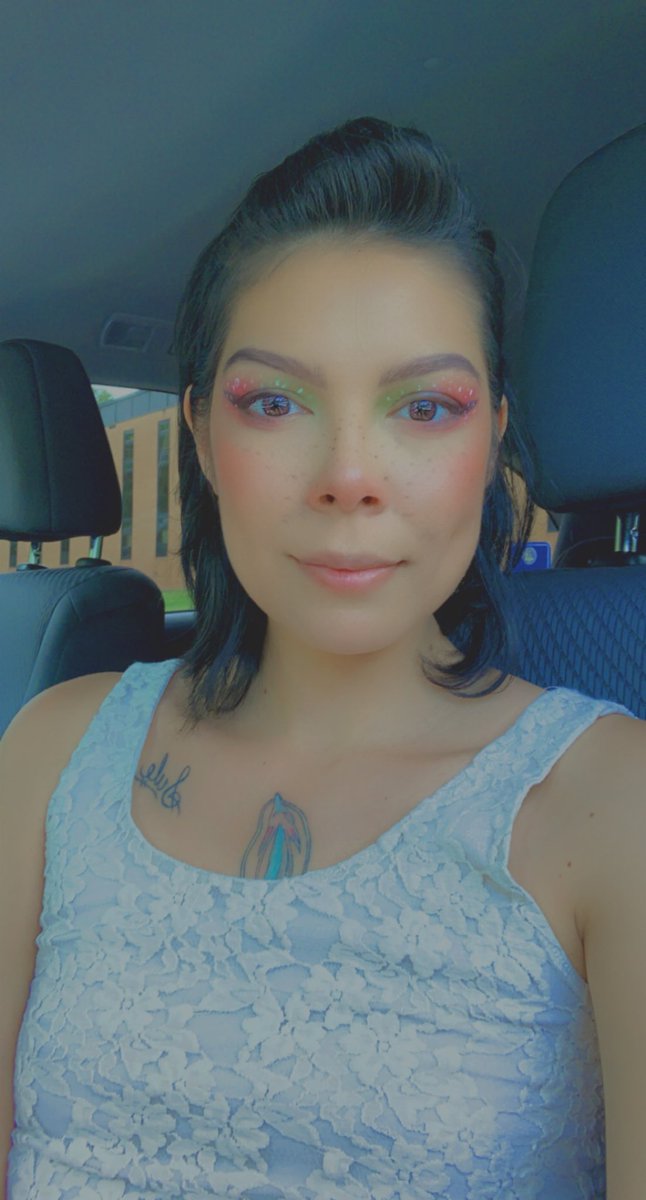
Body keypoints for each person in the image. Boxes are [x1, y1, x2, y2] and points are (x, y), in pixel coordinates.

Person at [2, 116, 645, 1200]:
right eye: (275, 402)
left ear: (493, 438)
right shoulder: (51, 749)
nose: (350, 474)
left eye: (425, 407)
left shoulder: (611, 805)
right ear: (203, 438)